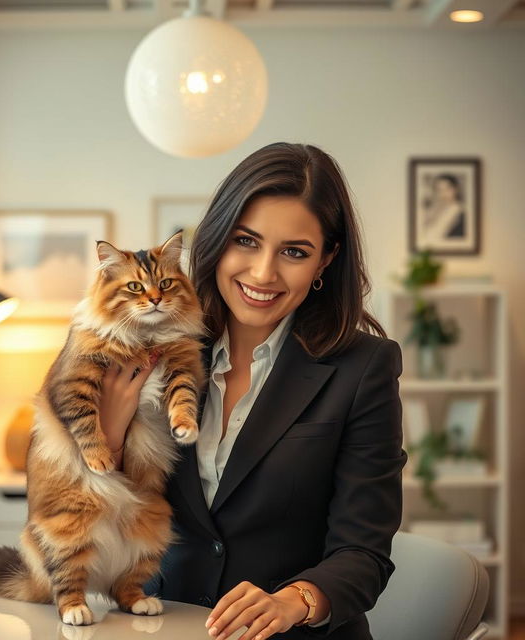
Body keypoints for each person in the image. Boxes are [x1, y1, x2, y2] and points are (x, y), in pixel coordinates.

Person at [99, 142, 407, 639]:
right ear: (217, 240)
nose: (263, 273)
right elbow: (86, 516)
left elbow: (364, 552)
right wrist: (109, 436)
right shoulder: (148, 347)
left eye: (294, 252)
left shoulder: (364, 367)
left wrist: (294, 601)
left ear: (325, 260)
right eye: (246, 241)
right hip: (156, 627)